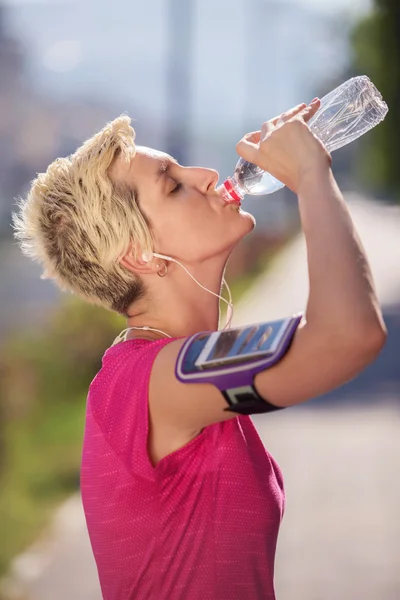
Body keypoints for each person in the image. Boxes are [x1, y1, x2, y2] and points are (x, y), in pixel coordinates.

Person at [13, 99, 387, 600]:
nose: (208, 175)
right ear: (139, 253)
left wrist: (311, 174)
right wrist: (311, 176)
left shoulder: (174, 366)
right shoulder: (150, 381)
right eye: (173, 184)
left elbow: (338, 333)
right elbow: (345, 335)